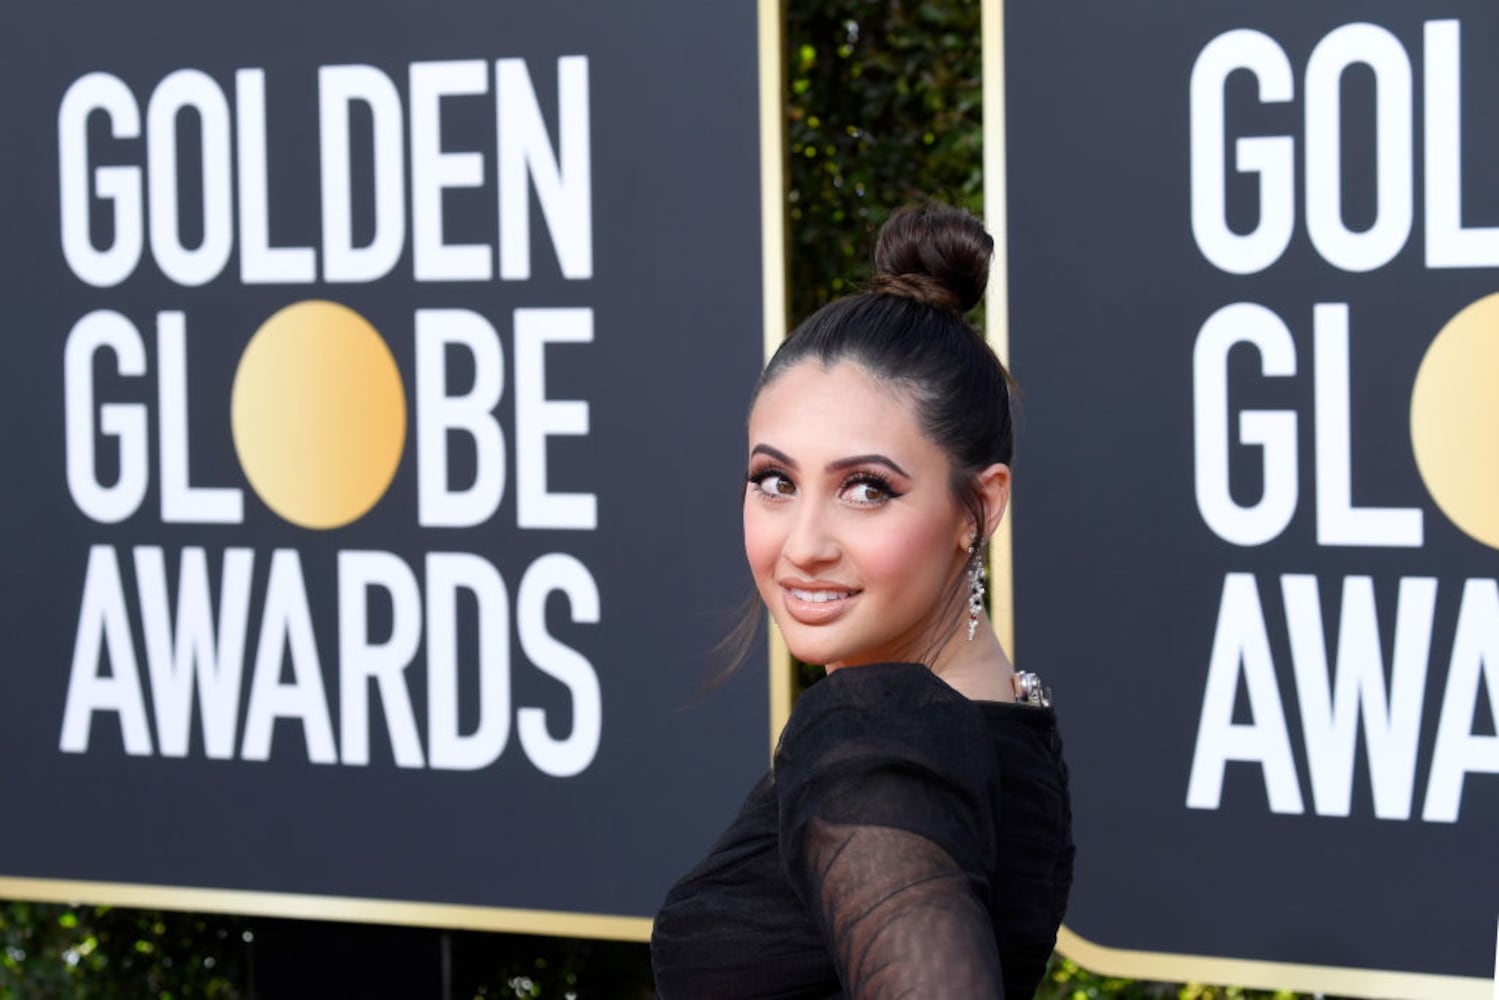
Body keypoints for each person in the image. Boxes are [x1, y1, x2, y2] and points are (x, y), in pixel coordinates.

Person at [651, 202, 1074, 998]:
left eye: (866, 489)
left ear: (976, 509)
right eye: (774, 481)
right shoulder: (1006, 716)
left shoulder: (870, 735)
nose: (802, 542)